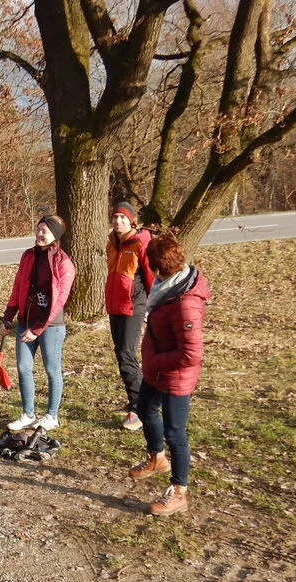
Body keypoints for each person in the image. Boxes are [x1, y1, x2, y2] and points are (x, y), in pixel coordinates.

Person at [127, 234, 210, 516]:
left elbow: (191, 354)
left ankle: (179, 492)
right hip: (157, 369)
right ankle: (156, 458)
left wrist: (156, 361)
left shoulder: (185, 302)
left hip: (175, 375)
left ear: (156, 267)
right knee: (144, 409)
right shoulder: (167, 286)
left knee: (175, 433)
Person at [0, 214, 76, 432]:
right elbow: (18, 287)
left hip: (50, 326)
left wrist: (38, 329)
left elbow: (59, 300)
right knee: (23, 367)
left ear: (55, 235)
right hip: (26, 321)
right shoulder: (28, 256)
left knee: (52, 370)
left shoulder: (64, 263)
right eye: (38, 229)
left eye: (44, 231)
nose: (39, 234)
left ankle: (52, 416)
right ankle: (28, 414)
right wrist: (8, 316)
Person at [105, 201, 154, 431]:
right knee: (121, 354)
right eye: (115, 217)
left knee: (127, 355)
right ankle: (137, 399)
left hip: (134, 306)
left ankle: (140, 408)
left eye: (123, 218)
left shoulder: (140, 242)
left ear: (132, 220)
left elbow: (151, 276)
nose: (118, 221)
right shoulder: (112, 243)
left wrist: (152, 307)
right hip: (115, 306)